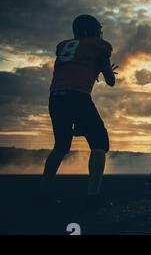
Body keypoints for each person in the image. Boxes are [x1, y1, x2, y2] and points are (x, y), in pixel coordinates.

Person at [39, 14, 118, 209]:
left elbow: (75, 65)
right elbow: (111, 81)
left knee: (61, 145)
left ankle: (43, 193)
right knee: (100, 143)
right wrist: (105, 69)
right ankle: (93, 196)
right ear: (94, 30)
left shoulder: (63, 46)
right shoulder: (99, 47)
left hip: (56, 96)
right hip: (78, 96)